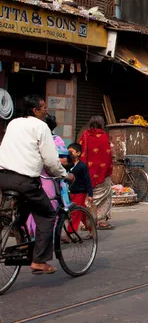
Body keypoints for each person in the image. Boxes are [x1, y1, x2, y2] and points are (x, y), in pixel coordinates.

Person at [0, 95, 74, 274]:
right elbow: (51, 160)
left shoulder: (13, 123)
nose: (46, 110)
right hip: (25, 180)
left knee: (23, 213)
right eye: (43, 107)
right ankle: (39, 261)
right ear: (35, 110)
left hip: (3, 176)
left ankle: (21, 239)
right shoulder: (41, 127)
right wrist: (65, 175)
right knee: (47, 215)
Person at [26, 115, 70, 236]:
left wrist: (47, 161)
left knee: (48, 210)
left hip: (48, 179)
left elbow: (64, 161)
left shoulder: (55, 140)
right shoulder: (31, 139)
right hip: (33, 178)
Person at [80, 116, 114, 230]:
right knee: (106, 197)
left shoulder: (85, 135)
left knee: (89, 196)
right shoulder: (104, 136)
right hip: (102, 172)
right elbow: (108, 155)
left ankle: (87, 221)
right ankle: (102, 221)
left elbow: (81, 152)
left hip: (88, 172)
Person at [65, 143, 93, 238]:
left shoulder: (82, 166)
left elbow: (88, 180)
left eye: (71, 151)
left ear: (78, 153)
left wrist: (90, 194)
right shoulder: (68, 165)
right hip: (71, 193)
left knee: (75, 213)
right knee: (82, 214)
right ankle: (92, 230)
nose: (69, 153)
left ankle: (69, 233)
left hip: (80, 192)